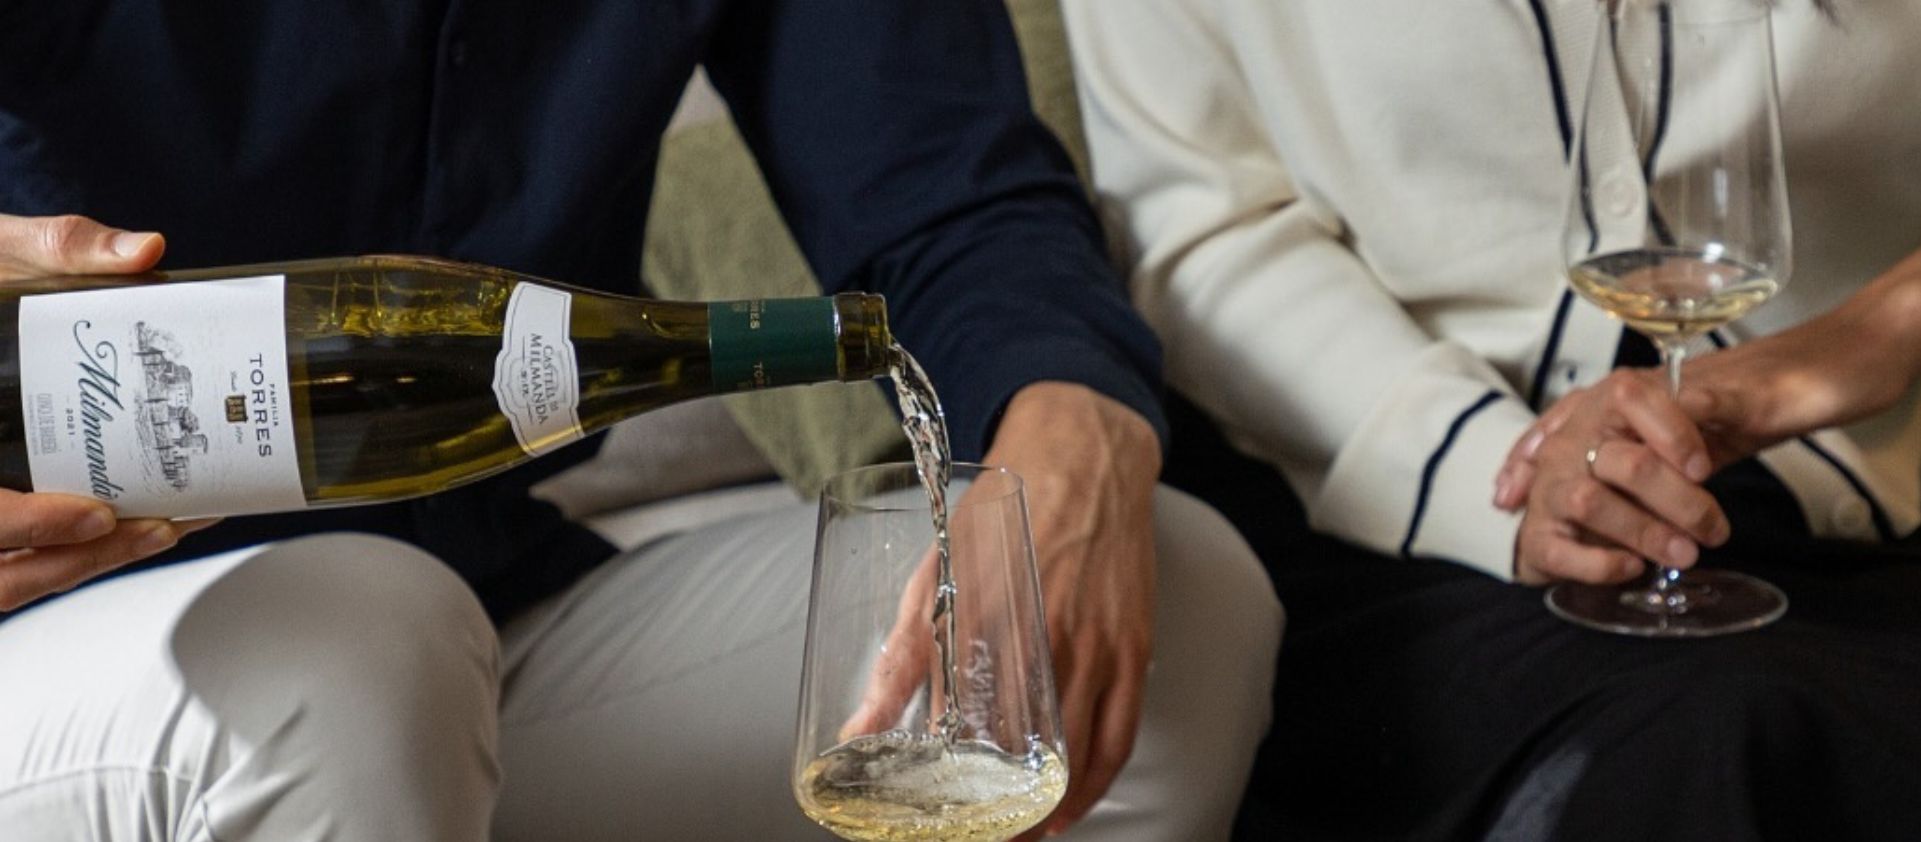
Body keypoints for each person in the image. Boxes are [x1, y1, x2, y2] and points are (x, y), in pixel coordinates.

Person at [0, 2, 1283, 839]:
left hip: (476, 602)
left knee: (1170, 607)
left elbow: (952, 185)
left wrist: (1077, 419)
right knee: (352, 651)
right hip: (66, 636)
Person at [1061, 0, 1921, 838]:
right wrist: (1494, 468)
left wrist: (1875, 330)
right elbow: (1204, 229)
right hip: (1383, 500)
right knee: (1701, 738)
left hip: (1880, 470)